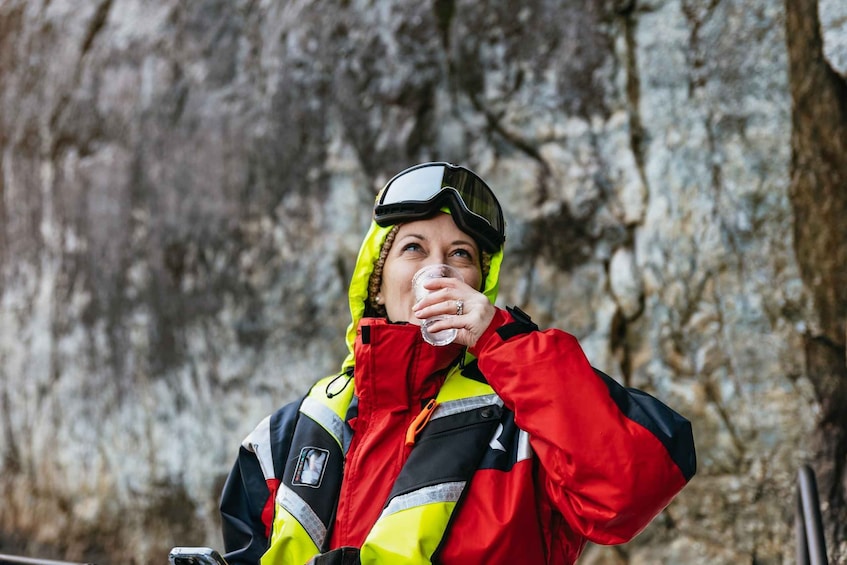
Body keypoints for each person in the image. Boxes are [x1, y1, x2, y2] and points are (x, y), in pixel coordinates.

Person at [219, 162, 696, 565]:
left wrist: (500, 338)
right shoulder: (285, 437)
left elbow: (627, 489)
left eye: (461, 254)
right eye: (413, 248)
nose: (438, 269)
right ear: (377, 284)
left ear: (479, 284)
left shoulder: (527, 415)